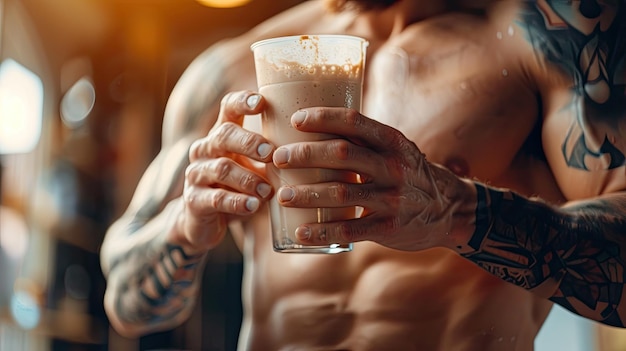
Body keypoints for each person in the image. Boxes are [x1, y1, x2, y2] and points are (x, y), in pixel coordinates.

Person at [100, 0, 626, 349]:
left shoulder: (548, 35)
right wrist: (182, 226)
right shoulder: (228, 71)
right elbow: (126, 303)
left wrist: (455, 212)